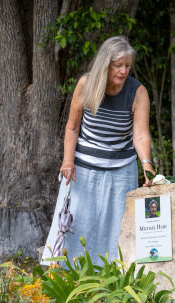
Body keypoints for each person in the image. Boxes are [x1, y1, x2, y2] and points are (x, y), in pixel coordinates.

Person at [42, 35, 154, 266]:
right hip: (83, 166)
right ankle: (66, 274)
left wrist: (146, 165)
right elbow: (72, 127)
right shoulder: (87, 84)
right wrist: (67, 161)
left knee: (116, 225)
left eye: (127, 66)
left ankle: (113, 274)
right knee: (77, 222)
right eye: (118, 65)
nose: (123, 71)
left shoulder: (138, 92)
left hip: (121, 168)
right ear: (106, 64)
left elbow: (140, 135)